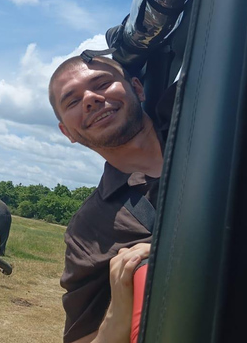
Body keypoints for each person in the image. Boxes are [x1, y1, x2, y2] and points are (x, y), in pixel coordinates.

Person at [48, 54, 170, 343]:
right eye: (73, 101)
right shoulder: (87, 231)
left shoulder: (215, 124)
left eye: (102, 83)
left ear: (138, 89)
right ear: (68, 133)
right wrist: (119, 313)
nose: (90, 98)